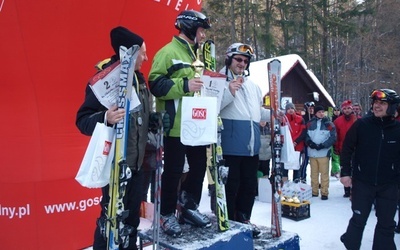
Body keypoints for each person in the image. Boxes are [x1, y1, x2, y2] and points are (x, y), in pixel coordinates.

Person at [76, 26, 150, 249]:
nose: (146, 58)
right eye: (142, 53)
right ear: (129, 53)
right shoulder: (105, 80)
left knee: (131, 220)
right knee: (111, 219)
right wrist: (105, 117)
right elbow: (82, 120)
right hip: (116, 165)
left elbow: (139, 116)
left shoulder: (138, 79)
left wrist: (153, 120)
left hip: (137, 164)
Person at [148, 10, 211, 237]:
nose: (203, 35)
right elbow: (155, 85)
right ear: (189, 28)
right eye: (201, 30)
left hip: (197, 124)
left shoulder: (197, 56)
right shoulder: (167, 53)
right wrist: (184, 85)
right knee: (173, 172)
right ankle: (166, 214)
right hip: (175, 125)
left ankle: (187, 208)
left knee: (198, 168)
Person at [218, 42, 270, 238]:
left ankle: (243, 217)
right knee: (231, 186)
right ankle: (229, 221)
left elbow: (256, 112)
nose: (242, 64)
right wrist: (229, 91)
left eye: (245, 61)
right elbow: (213, 106)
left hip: (251, 146)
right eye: (238, 59)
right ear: (229, 59)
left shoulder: (252, 85)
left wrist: (274, 113)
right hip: (230, 146)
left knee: (249, 186)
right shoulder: (219, 80)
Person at [340, 89, 400, 250]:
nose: (377, 106)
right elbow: (347, 148)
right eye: (375, 103)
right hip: (363, 182)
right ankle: (351, 244)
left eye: (382, 103)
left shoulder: (397, 129)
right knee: (358, 219)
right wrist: (345, 172)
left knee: (386, 223)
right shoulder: (362, 125)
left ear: (393, 107)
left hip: (389, 185)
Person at [305, 105, 336, 200]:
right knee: (313, 174)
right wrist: (310, 143)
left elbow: (333, 137)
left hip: (324, 153)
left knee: (324, 174)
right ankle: (314, 191)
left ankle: (324, 192)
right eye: (319, 112)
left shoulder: (329, 124)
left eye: (323, 112)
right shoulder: (310, 123)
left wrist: (323, 145)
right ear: (315, 113)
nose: (321, 113)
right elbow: (306, 134)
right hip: (312, 152)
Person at [333, 100, 357, 197]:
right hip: (343, 148)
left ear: (351, 109)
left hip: (356, 148)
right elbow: (336, 136)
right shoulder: (337, 121)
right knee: (345, 168)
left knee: (355, 169)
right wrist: (336, 147)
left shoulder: (357, 119)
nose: (347, 110)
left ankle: (355, 189)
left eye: (348, 108)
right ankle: (346, 189)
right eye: (345, 109)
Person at [281, 102, 306, 182]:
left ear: (294, 109)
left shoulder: (300, 119)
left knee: (296, 166)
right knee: (285, 166)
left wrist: (296, 142)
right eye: (288, 109)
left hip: (297, 146)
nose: (290, 110)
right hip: (286, 146)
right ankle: (285, 184)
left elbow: (303, 132)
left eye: (292, 108)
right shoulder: (283, 119)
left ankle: (296, 182)